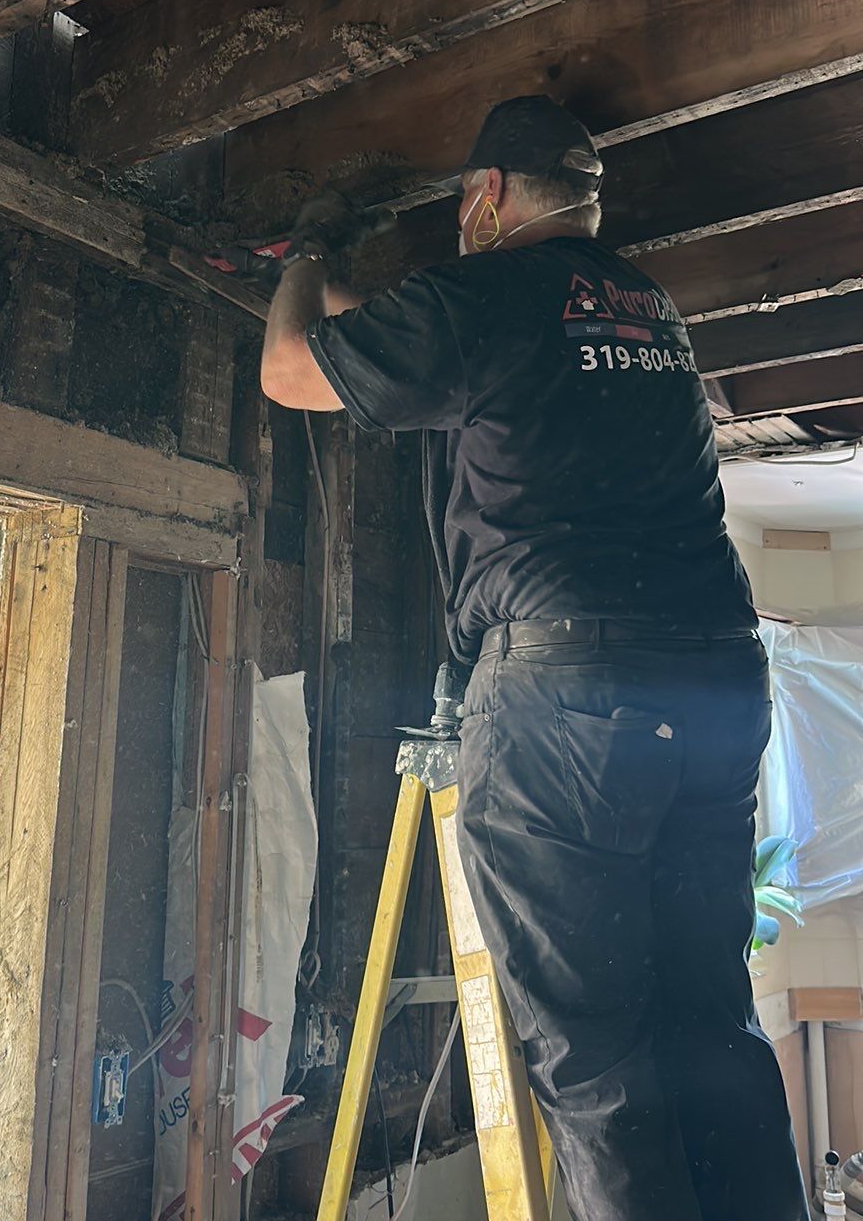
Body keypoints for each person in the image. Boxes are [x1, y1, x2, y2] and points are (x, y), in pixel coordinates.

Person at [259, 95, 808, 1221]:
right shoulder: (645, 306)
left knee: (597, 1056)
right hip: (714, 684)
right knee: (711, 1026)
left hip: (571, 700)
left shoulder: (484, 296)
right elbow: (449, 343)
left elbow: (288, 370)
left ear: (486, 197)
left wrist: (309, 249)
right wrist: (380, 308)